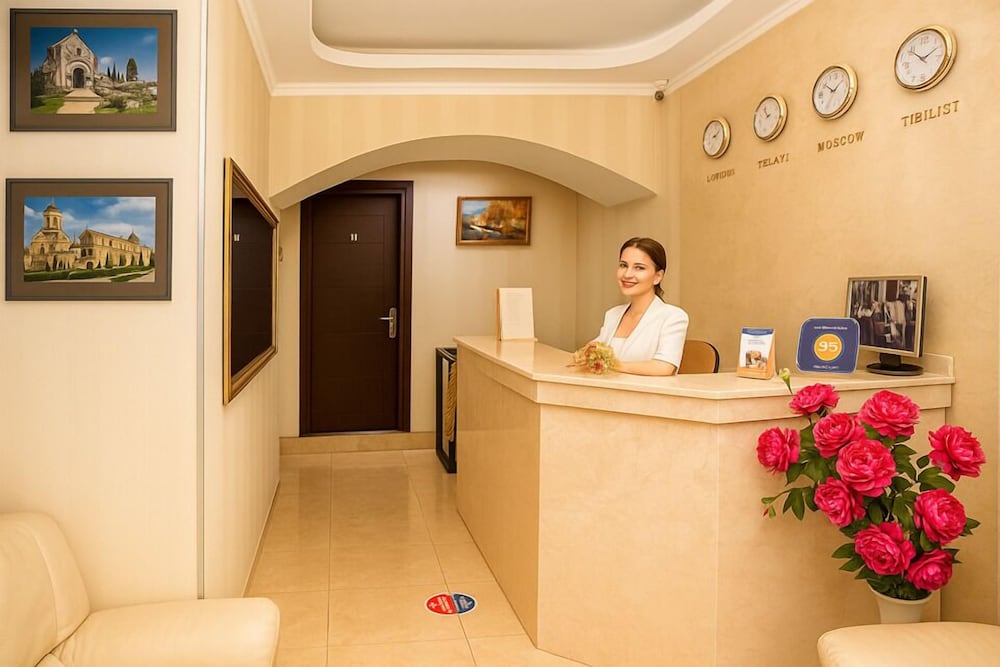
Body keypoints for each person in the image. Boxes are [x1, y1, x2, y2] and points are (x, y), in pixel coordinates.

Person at [591, 237, 689, 376]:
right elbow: (592, 351)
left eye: (639, 268)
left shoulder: (673, 317)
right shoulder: (612, 314)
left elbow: (664, 367)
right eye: (623, 265)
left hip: (647, 390)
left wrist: (608, 364)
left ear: (658, 276)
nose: (627, 274)